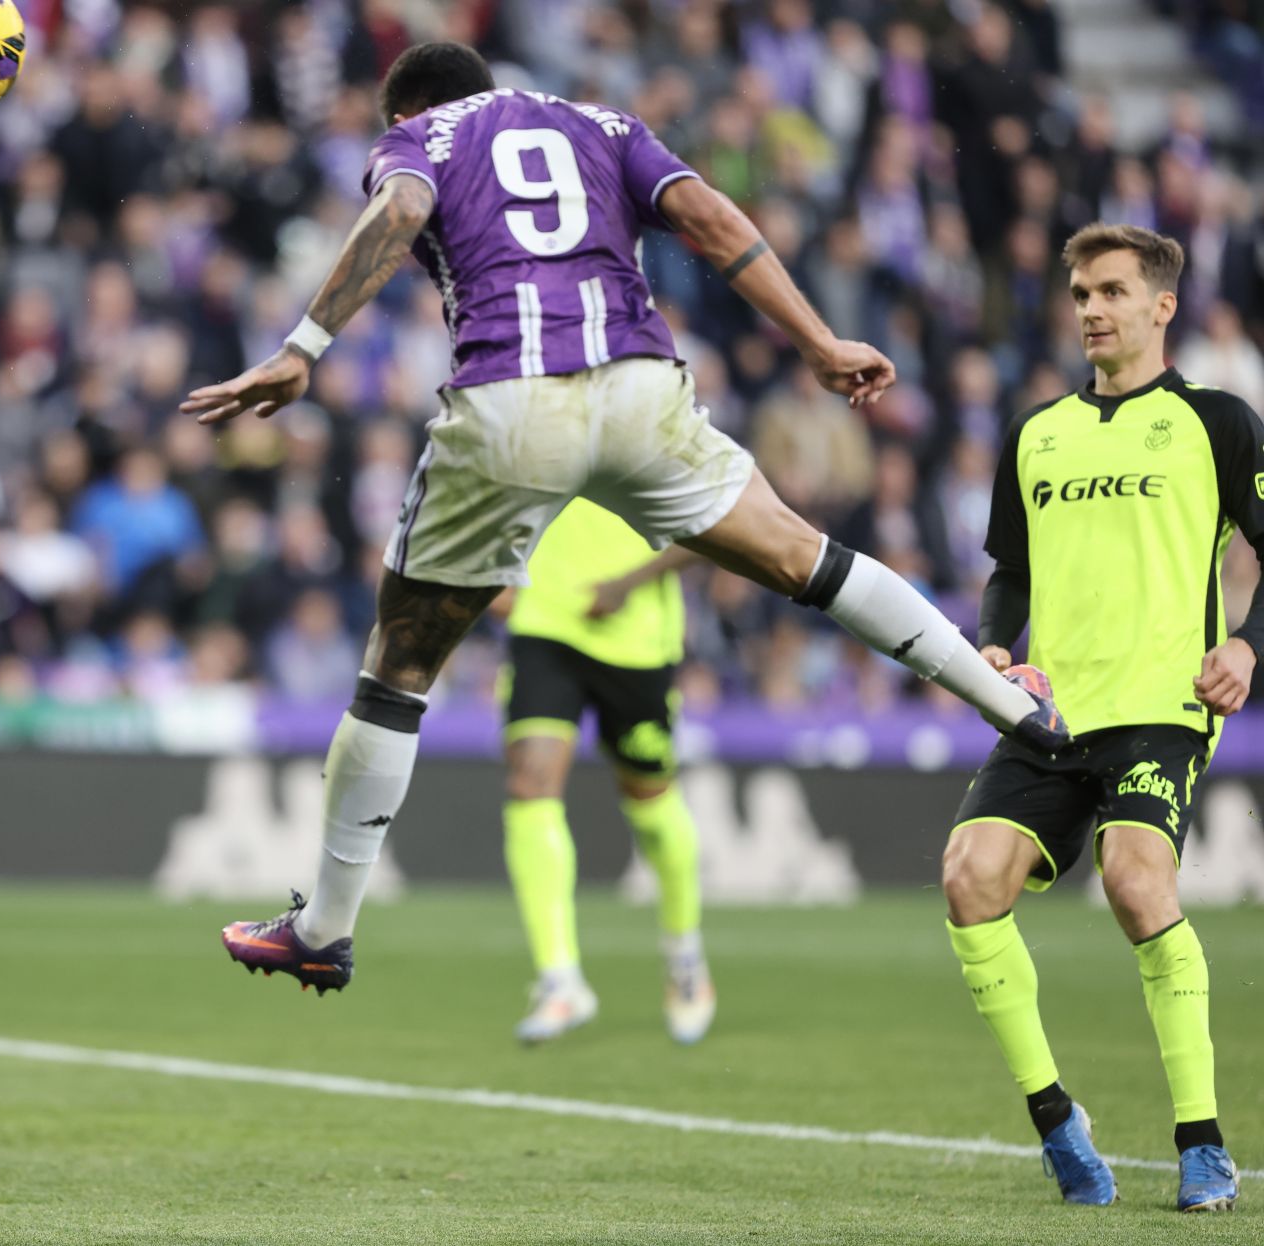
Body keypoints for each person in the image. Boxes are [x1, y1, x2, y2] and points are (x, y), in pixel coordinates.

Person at [183, 43, 1066, 997]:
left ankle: (325, 927)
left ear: (408, 107)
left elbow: (399, 211)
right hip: (641, 387)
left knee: (397, 669)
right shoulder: (603, 124)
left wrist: (303, 346)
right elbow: (707, 216)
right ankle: (1018, 710)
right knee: (810, 558)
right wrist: (816, 341)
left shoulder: (418, 135)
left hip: (513, 400)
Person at [943, 223, 1250, 1213]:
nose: (1091, 310)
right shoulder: (1036, 432)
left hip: (1162, 704)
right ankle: (1054, 1120)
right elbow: (1010, 572)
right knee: (968, 878)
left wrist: (1247, 647)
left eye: (1112, 291)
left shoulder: (1217, 420)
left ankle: (1201, 1139)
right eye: (1080, 293)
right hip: (1051, 713)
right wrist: (995, 644)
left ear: (1163, 305)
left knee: (1132, 876)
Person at [496, 499, 712, 1044]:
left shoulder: (660, 424)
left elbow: (710, 526)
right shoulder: (536, 422)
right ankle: (559, 979)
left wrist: (630, 582)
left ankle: (684, 955)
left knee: (651, 804)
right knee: (529, 784)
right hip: (544, 622)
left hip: (634, 637)